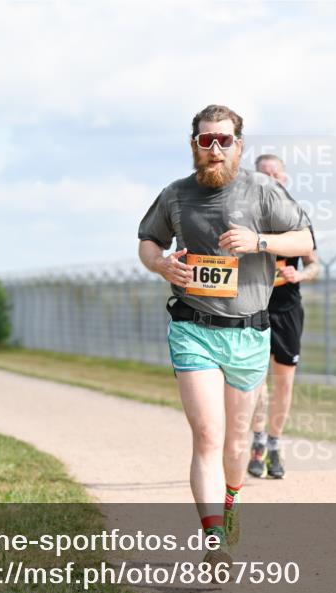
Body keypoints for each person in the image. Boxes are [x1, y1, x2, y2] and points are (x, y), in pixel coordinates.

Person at [137, 105, 313, 563]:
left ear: (239, 145)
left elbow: (306, 241)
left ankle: (230, 506)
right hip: (193, 328)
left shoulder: (263, 192)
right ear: (194, 144)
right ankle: (213, 541)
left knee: (236, 444)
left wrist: (260, 242)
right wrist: (160, 264)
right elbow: (148, 241)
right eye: (206, 140)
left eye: (224, 140)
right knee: (208, 437)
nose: (215, 148)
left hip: (250, 334)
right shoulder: (176, 195)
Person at [247, 155, 322, 479]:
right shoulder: (246, 220)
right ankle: (258, 443)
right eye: (264, 175)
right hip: (253, 307)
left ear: (285, 179)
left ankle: (275, 445)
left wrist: (299, 276)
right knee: (256, 384)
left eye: (276, 174)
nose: (271, 180)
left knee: (284, 383)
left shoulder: (295, 219)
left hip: (287, 309)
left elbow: (314, 264)